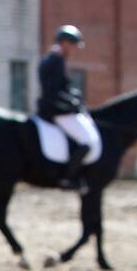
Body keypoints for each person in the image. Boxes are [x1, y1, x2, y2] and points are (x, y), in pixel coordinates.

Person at [36, 24, 100, 190]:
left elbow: (61, 87)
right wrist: (72, 102)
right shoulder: (55, 60)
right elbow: (53, 90)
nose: (74, 50)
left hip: (56, 107)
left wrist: (73, 95)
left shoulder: (55, 58)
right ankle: (68, 178)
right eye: (73, 45)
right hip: (55, 109)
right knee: (87, 141)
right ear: (64, 43)